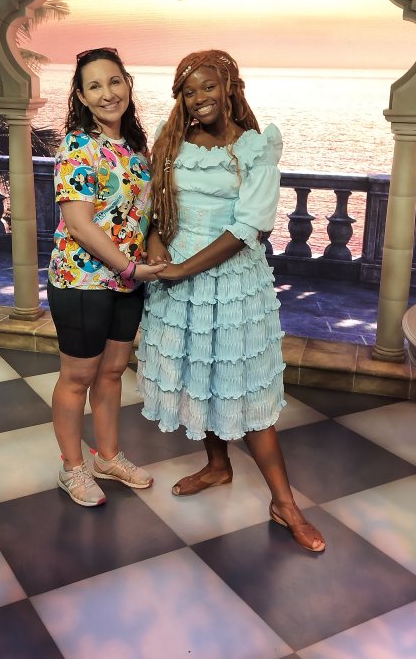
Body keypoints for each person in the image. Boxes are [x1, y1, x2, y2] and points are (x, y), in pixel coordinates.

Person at [137, 50, 325, 552]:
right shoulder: (172, 141)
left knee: (244, 390)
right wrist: (157, 247)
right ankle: (218, 466)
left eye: (207, 87)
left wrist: (184, 268)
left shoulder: (254, 149)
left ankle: (284, 503)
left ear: (230, 88)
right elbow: (157, 205)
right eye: (188, 91)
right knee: (201, 377)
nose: (198, 99)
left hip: (230, 282)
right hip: (178, 281)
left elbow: (250, 227)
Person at [48, 47, 166, 507]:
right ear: (81, 96)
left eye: (114, 81)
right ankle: (72, 468)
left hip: (127, 281)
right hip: (82, 281)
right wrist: (130, 266)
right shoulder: (79, 145)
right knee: (78, 377)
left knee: (113, 372)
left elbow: (144, 212)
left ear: (127, 84)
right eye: (94, 86)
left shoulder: (135, 148)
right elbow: (79, 224)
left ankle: (108, 457)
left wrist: (147, 250)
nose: (107, 93)